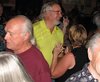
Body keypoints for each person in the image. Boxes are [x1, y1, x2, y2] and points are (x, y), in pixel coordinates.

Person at [4, 15, 52, 82]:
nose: (5, 37)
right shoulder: (11, 49)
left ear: (26, 36)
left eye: (10, 34)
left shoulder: (38, 64)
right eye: (6, 32)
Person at [33, 1, 64, 66]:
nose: (61, 15)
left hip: (51, 74)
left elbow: (60, 56)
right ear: (47, 13)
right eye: (58, 12)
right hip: (34, 72)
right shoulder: (33, 29)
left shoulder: (60, 33)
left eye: (61, 12)